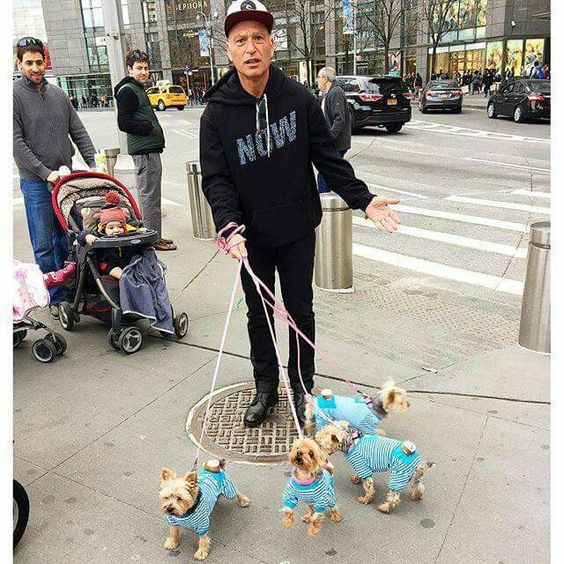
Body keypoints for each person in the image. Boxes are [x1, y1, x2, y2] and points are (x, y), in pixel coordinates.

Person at [200, 0, 401, 428]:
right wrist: (228, 227)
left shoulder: (299, 99)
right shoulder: (216, 112)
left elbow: (328, 159)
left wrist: (362, 200)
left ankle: (301, 386)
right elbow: (216, 179)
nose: (251, 48)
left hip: (296, 230)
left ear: (272, 45)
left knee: (300, 311)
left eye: (258, 38)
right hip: (249, 236)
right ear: (229, 50)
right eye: (240, 40)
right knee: (259, 315)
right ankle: (266, 387)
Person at [13, 36, 96, 314]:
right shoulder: (12, 96)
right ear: (19, 64)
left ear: (45, 63)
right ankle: (54, 295)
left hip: (64, 181)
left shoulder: (58, 94)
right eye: (29, 63)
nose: (35, 68)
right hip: (36, 182)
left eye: (39, 62)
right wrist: (43, 172)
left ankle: (70, 286)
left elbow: (78, 129)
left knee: (67, 237)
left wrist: (93, 162)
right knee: (44, 243)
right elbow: (15, 143)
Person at [115, 49, 177, 251]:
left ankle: (153, 235)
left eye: (145, 68)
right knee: (150, 195)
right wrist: (148, 128)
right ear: (129, 69)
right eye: (139, 68)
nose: (143, 72)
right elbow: (123, 122)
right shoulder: (128, 91)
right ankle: (151, 239)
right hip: (144, 150)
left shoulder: (137, 88)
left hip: (148, 149)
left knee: (152, 194)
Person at [78, 193, 147, 280]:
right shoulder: (99, 234)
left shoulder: (128, 231)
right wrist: (87, 236)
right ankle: (125, 277)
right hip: (108, 264)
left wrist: (139, 231)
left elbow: (134, 227)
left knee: (141, 258)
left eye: (120, 226)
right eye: (111, 228)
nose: (116, 230)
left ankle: (135, 277)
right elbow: (81, 235)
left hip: (127, 261)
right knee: (114, 268)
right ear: (104, 228)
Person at [315, 67, 351, 194]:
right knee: (333, 172)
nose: (317, 80)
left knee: (324, 174)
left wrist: (329, 139)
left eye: (319, 77)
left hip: (336, 143)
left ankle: (324, 204)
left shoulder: (336, 92)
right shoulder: (330, 93)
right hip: (334, 142)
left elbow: (339, 119)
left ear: (325, 78)